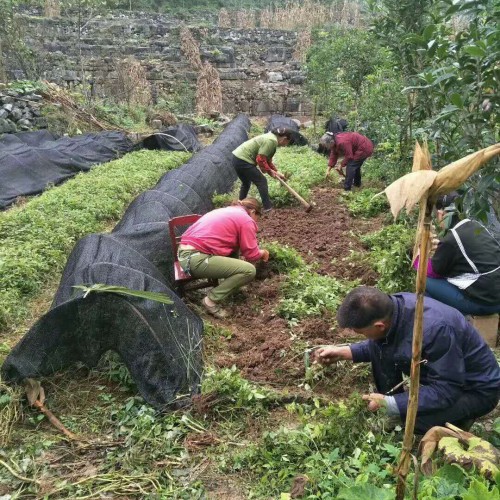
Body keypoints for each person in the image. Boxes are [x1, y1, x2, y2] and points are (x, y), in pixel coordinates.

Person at [313, 286, 500, 434]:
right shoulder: (394, 309)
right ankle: (404, 409)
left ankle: (459, 419)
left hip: (476, 389)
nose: (357, 335)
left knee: (412, 423)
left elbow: (447, 389)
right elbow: (394, 343)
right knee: (380, 347)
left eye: (359, 332)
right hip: (447, 374)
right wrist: (344, 352)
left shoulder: (434, 330)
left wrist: (392, 404)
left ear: (379, 325)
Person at [177, 198, 269, 319]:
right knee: (249, 270)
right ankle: (210, 301)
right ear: (252, 211)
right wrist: (263, 253)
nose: (256, 222)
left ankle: (230, 285)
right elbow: (252, 255)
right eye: (258, 217)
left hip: (186, 252)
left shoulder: (229, 211)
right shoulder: (246, 220)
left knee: (234, 246)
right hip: (194, 259)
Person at [422, 193, 500, 316]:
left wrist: (417, 260)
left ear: (441, 214)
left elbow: (435, 271)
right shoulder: (476, 225)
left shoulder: (452, 239)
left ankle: (441, 320)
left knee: (425, 280)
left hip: (486, 303)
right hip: (495, 294)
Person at [232, 128, 290, 213]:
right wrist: (270, 171)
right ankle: (268, 208)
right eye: (287, 142)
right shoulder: (271, 141)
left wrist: (276, 172)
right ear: (285, 139)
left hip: (237, 158)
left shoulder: (271, 137)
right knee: (261, 181)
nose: (286, 145)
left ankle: (240, 205)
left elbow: (267, 159)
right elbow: (260, 159)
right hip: (243, 160)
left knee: (246, 183)